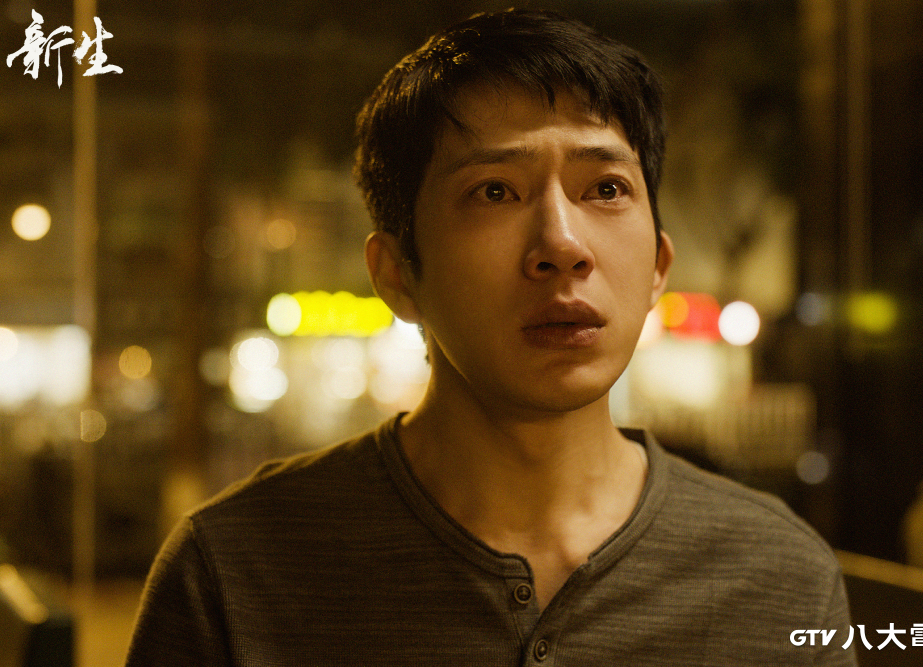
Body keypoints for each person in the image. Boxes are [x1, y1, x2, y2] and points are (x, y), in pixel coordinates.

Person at [126, 9, 854, 666]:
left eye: (605, 188)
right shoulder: (232, 573)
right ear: (397, 274)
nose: (562, 245)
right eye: (494, 191)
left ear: (658, 266)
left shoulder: (779, 577)